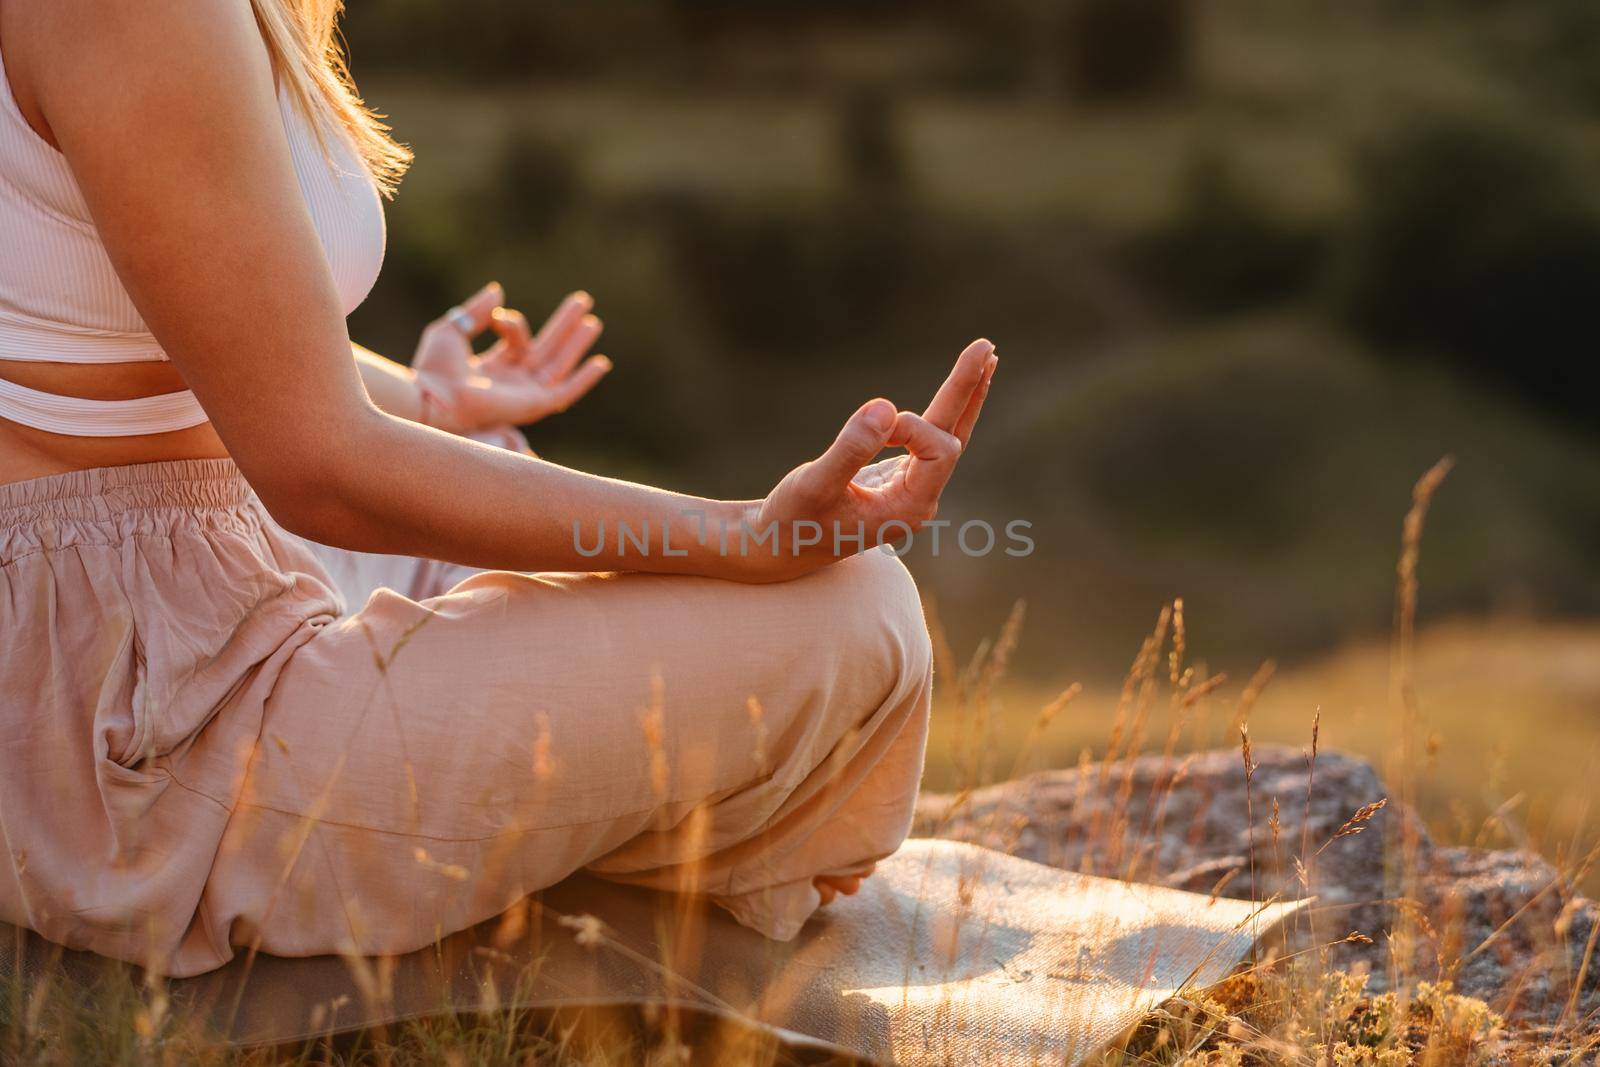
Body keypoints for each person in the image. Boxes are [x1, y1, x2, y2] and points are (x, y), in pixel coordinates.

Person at [0, 0, 996, 977]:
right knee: (852, 612)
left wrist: (422, 400)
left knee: (503, 474)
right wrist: (741, 534)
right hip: (133, 703)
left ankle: (579, 835)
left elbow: (172, 315)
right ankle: (638, 858)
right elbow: (319, 470)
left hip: (208, 550)